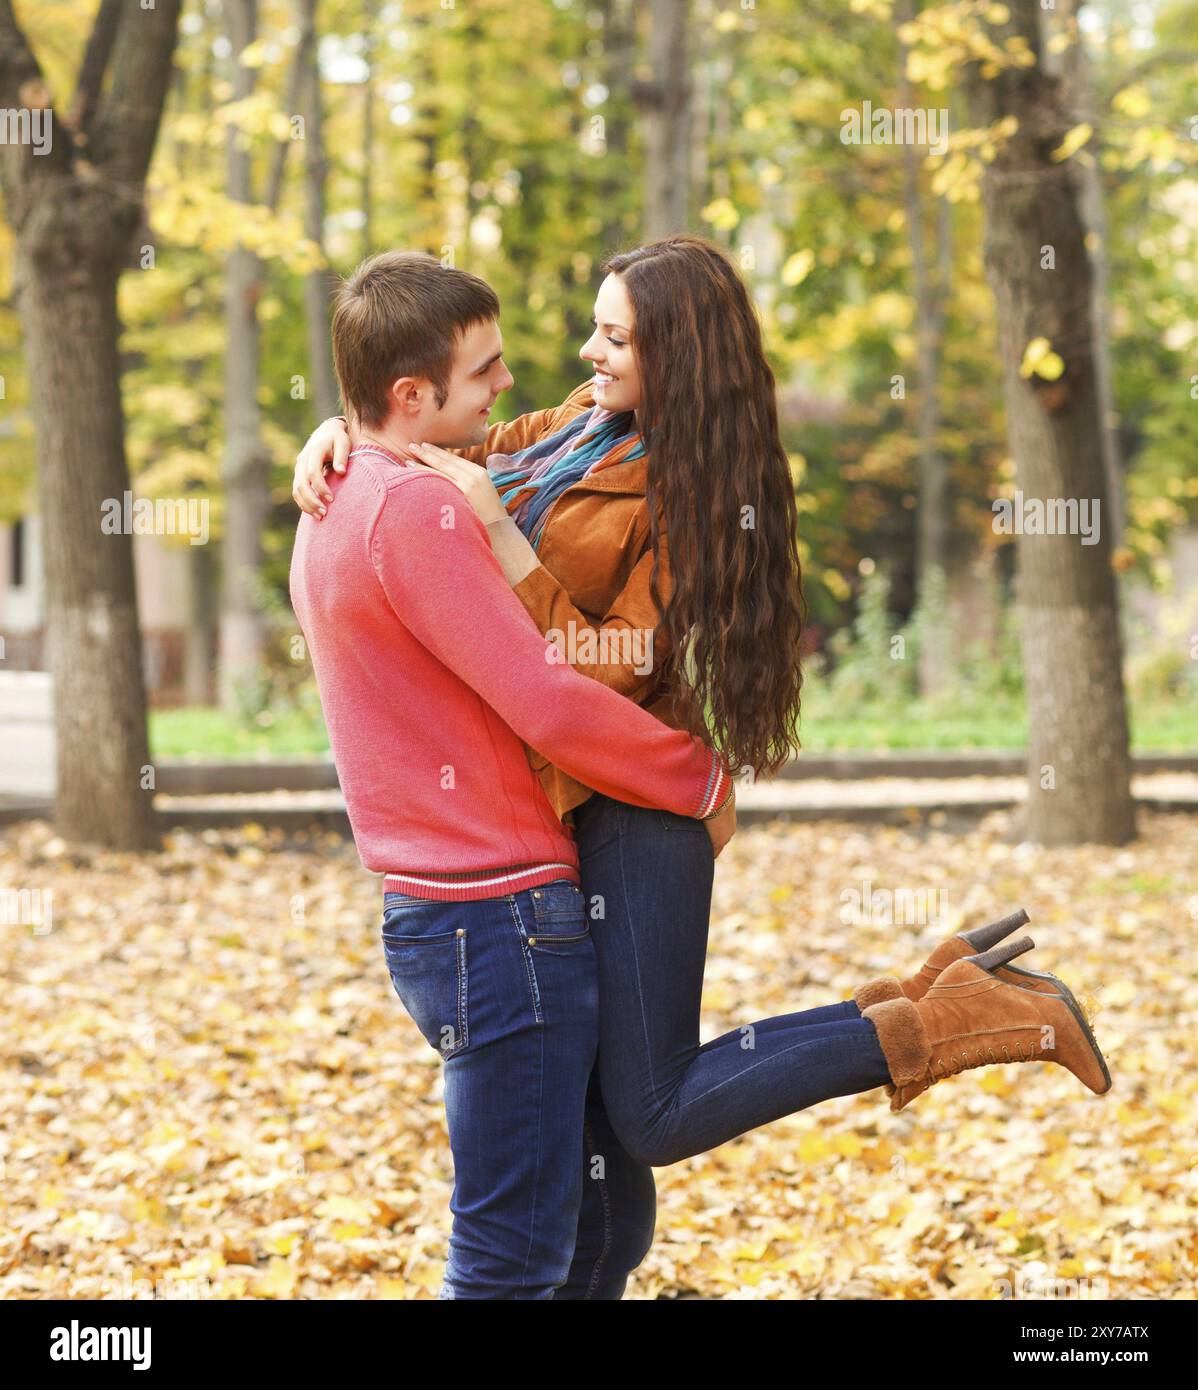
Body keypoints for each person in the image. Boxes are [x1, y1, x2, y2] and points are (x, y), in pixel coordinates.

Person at [293, 236, 1112, 1300]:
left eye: (616, 335)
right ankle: (930, 997)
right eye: (596, 323)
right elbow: (420, 435)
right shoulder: (568, 435)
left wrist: (503, 539)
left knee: (653, 1108)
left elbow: (608, 668)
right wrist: (338, 436)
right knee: (610, 1197)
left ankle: (949, 1018)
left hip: (640, 797)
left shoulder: (682, 492)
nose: (585, 349)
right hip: (566, 816)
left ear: (675, 356)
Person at [290, 249, 735, 1300]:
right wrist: (699, 777)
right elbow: (549, 698)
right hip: (500, 918)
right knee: (513, 1256)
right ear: (413, 393)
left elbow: (450, 440)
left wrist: (343, 431)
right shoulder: (423, 510)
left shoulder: (343, 493)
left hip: (449, 904)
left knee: (601, 1230)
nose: (511, 385)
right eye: (484, 369)